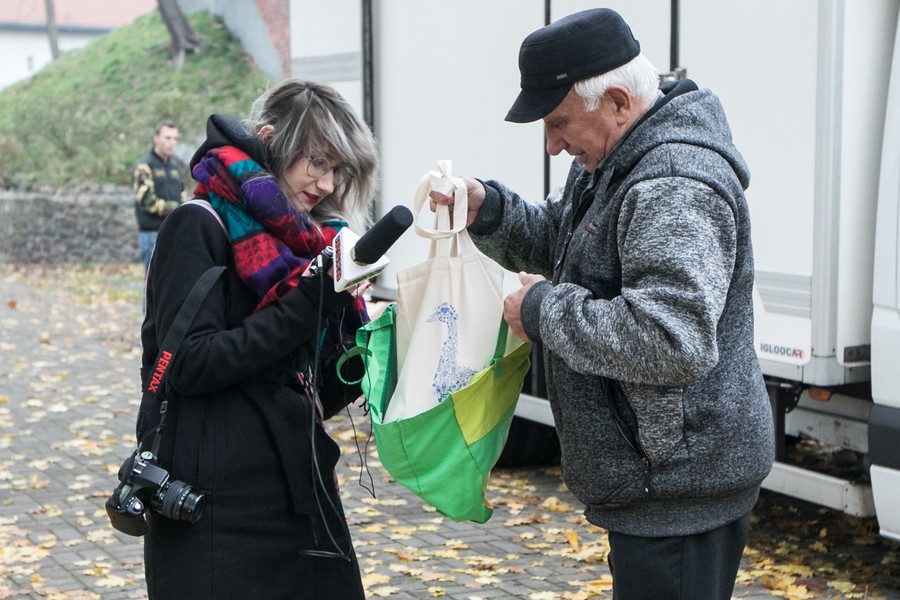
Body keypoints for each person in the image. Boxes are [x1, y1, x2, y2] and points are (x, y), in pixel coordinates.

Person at [431, 9, 774, 600]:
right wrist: (488, 209)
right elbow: (565, 245)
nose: (553, 144)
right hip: (655, 484)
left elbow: (672, 340)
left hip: (676, 489)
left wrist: (542, 310)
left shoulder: (671, 182)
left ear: (617, 101)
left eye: (560, 122)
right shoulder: (618, 159)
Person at [139, 80, 378, 599]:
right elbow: (190, 365)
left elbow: (317, 395)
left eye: (337, 169)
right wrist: (313, 299)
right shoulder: (197, 226)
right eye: (317, 161)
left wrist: (365, 342)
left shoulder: (307, 246)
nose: (326, 183)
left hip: (303, 495)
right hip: (214, 510)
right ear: (270, 139)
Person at [133, 119, 189, 271]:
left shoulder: (176, 169)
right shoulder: (145, 166)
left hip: (174, 232)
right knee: (152, 285)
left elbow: (183, 197)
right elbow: (146, 201)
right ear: (156, 138)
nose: (171, 143)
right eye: (167, 138)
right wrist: (176, 209)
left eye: (175, 138)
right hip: (152, 234)